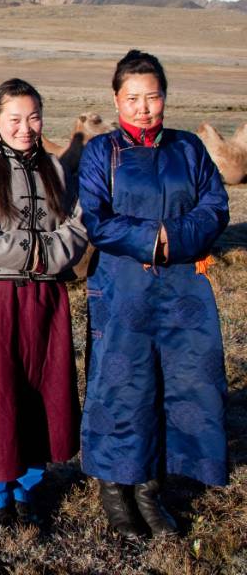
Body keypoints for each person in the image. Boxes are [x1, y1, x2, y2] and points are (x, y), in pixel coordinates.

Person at [78, 50, 229, 540]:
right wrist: (153, 239)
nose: (144, 108)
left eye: (153, 96)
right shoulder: (103, 152)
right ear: (116, 99)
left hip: (183, 286)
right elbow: (97, 220)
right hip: (123, 287)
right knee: (123, 385)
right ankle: (116, 489)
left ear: (165, 96)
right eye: (133, 98)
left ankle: (150, 488)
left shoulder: (189, 149)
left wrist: (173, 238)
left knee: (179, 383)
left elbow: (215, 208)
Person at [0, 78, 88, 524]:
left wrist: (44, 254)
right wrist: (35, 251)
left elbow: (77, 228)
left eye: (33, 118)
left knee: (40, 391)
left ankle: (30, 487)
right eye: (14, 119)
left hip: (45, 298)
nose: (25, 128)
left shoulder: (57, 170)